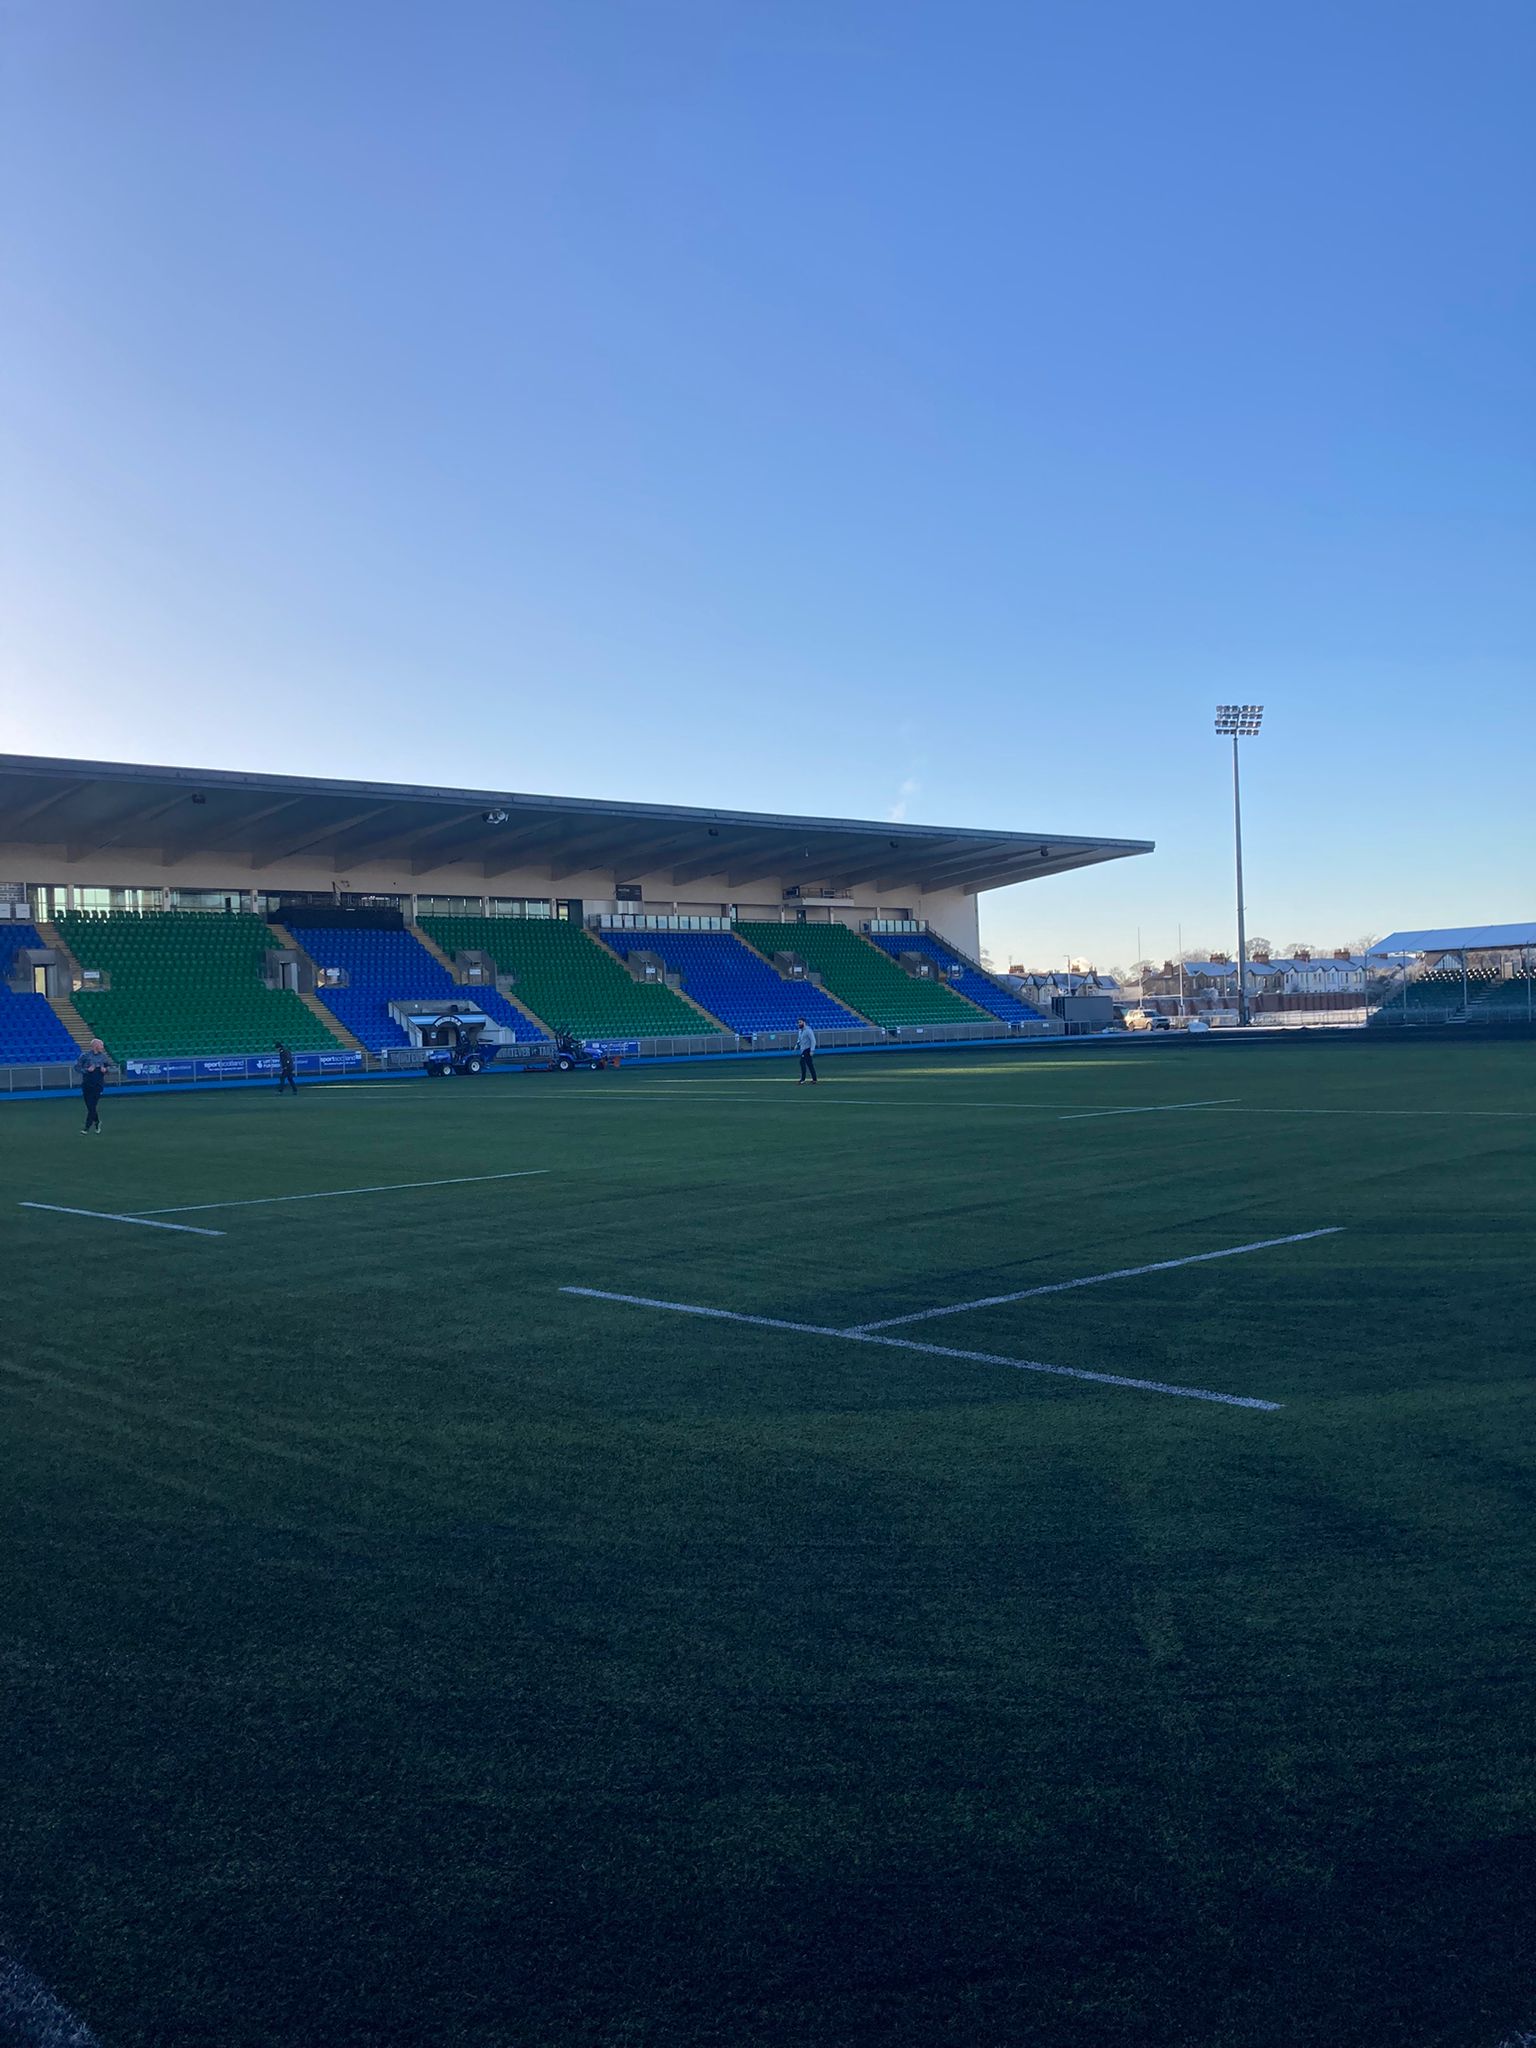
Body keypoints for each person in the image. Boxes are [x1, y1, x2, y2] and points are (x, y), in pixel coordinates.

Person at [77, 1038, 110, 1134]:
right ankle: (97, 1121)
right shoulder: (85, 1056)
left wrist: (105, 1070)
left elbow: (109, 1068)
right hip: (87, 1083)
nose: (103, 1047)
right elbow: (77, 1067)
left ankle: (86, 1127)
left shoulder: (104, 1057)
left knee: (92, 1105)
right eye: (101, 1045)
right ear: (96, 1046)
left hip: (98, 1084)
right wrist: (87, 1070)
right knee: (89, 1106)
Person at [795, 1017, 818, 1085]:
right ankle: (814, 1079)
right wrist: (797, 1044)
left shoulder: (808, 1030)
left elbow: (813, 1040)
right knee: (809, 1064)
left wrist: (812, 1050)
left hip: (807, 1049)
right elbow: (799, 1039)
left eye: (800, 1022)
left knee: (802, 1062)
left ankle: (802, 1079)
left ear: (804, 1022)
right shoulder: (800, 1031)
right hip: (803, 1049)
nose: (799, 1024)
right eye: (798, 1022)